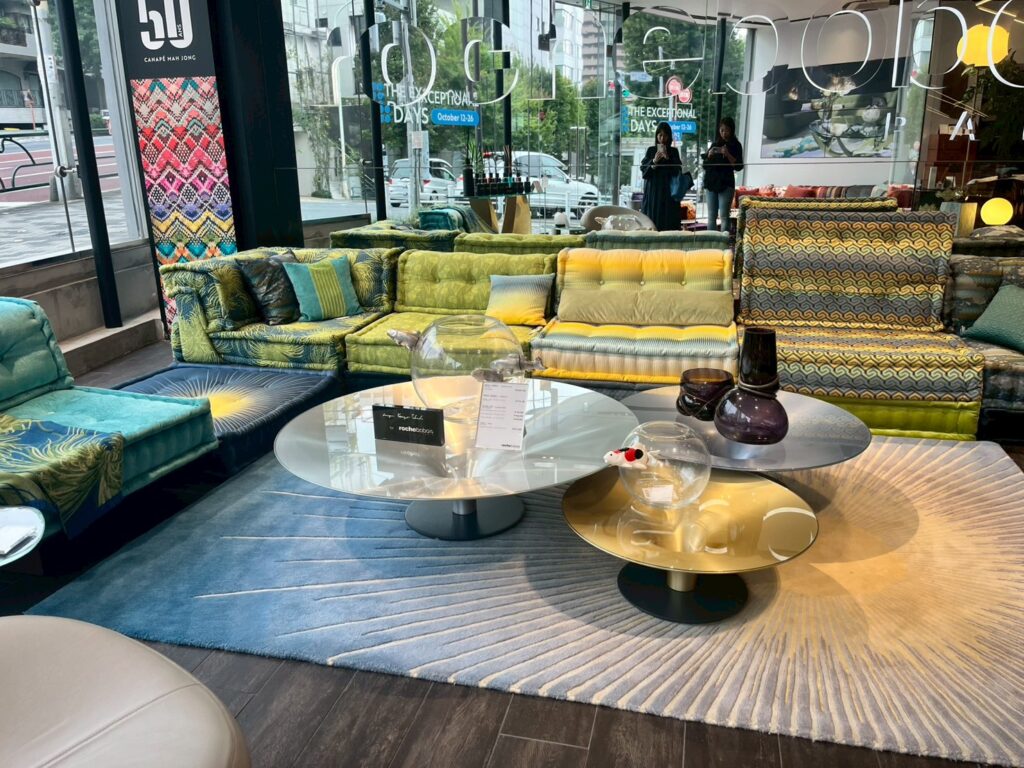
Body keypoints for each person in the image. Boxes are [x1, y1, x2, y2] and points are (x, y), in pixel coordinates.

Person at [640, 122, 685, 232]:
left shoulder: (673, 151)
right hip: (653, 192)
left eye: (665, 135)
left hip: (669, 193)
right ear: (656, 136)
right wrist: (654, 161)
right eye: (660, 135)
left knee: (668, 220)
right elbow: (644, 173)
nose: (662, 138)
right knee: (652, 220)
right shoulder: (651, 150)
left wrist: (667, 158)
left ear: (669, 137)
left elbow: (678, 171)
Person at [702, 117, 744, 232]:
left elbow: (739, 166)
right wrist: (709, 156)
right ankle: (712, 241)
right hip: (711, 182)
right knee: (711, 216)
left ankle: (724, 240)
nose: (724, 133)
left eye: (727, 130)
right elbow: (705, 165)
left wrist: (728, 154)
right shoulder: (715, 144)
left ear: (732, 130)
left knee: (724, 215)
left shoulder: (736, 145)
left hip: (726, 183)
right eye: (721, 130)